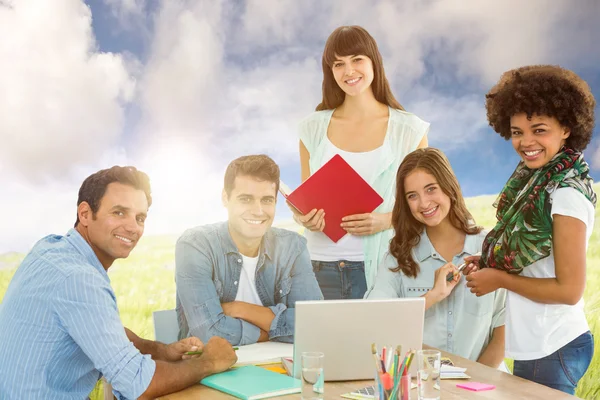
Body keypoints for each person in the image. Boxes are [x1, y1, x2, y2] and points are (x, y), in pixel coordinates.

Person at [0, 166, 237, 400]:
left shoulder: (52, 248)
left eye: (140, 217)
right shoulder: (78, 278)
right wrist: (210, 362)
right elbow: (139, 385)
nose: (133, 227)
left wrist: (162, 351)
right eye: (119, 212)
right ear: (84, 214)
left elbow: (98, 326)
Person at [465, 65, 596, 394]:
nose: (526, 142)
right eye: (517, 132)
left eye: (539, 130)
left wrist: (499, 279)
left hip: (552, 345)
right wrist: (488, 263)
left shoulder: (565, 193)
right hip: (535, 343)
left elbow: (569, 290)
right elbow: (534, 264)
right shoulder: (537, 181)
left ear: (566, 127)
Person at [292, 25, 430, 300]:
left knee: (379, 344)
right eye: (338, 64)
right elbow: (304, 202)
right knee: (322, 344)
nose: (349, 71)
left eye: (357, 60)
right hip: (320, 266)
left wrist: (385, 220)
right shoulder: (312, 128)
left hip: (383, 266)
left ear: (373, 63)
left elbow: (424, 206)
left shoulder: (409, 130)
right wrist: (304, 217)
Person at [367, 148, 506, 368]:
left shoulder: (489, 248)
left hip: (480, 387)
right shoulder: (398, 258)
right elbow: (375, 321)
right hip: (419, 384)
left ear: (448, 187)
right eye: (412, 196)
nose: (423, 203)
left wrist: (471, 388)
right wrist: (432, 296)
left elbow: (503, 334)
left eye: (431, 189)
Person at [176, 155, 323, 346]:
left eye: (267, 200)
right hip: (211, 369)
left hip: (278, 366)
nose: (258, 211)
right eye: (246, 199)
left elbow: (314, 324)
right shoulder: (195, 245)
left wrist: (241, 309)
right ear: (225, 198)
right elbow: (209, 334)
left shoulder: (293, 247)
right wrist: (269, 331)